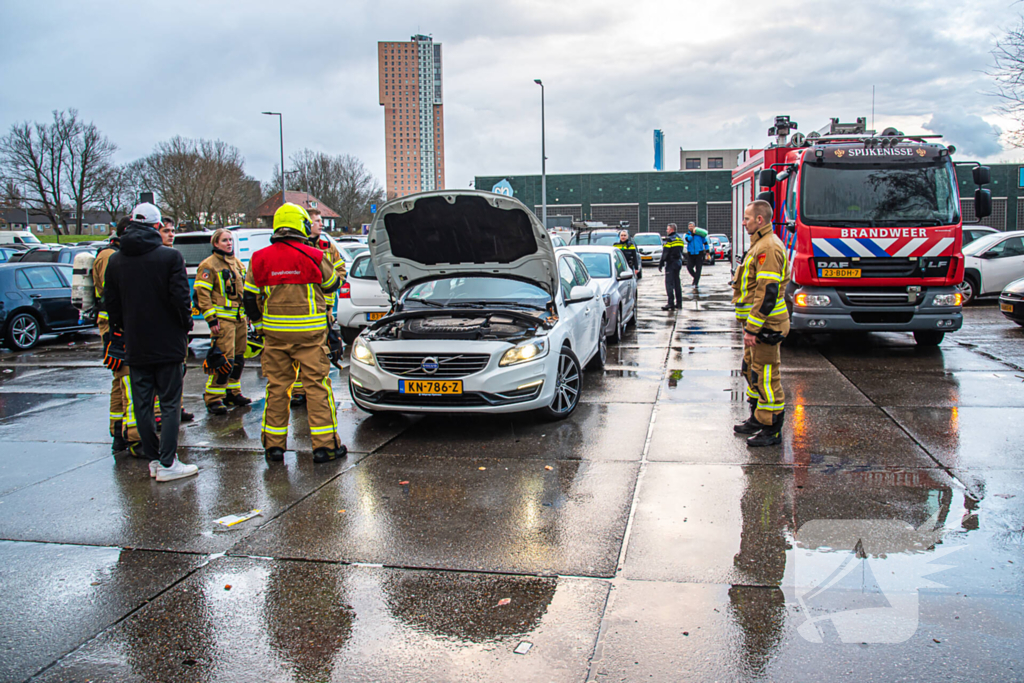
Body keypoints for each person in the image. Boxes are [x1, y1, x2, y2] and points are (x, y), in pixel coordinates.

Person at [243, 202, 347, 464]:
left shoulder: (259, 258)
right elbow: (333, 283)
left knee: (277, 389)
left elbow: (248, 298)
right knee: (317, 388)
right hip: (310, 336)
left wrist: (260, 325)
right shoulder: (313, 254)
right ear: (301, 225)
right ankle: (325, 447)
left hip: (275, 336)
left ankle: (274, 448)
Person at [105, 202, 198, 481]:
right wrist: (186, 327)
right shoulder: (169, 257)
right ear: (157, 227)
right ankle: (168, 462)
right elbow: (181, 300)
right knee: (169, 403)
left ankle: (155, 459)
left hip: (136, 342)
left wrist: (121, 332)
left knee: (141, 403)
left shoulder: (115, 259)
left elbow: (111, 305)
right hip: (167, 341)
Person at [732, 200, 790, 447]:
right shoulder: (759, 245)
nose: (743, 222)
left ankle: (772, 428)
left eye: (746, 218)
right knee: (751, 370)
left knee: (766, 376)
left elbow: (767, 292)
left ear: (759, 220)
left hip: (765, 327)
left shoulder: (768, 247)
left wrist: (753, 328)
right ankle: (758, 418)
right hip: (754, 326)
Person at [94, 217, 145, 455]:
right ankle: (133, 438)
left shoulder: (113, 254)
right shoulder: (110, 257)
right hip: (117, 326)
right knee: (126, 380)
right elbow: (115, 291)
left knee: (120, 381)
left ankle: (118, 432)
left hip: (116, 324)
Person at [289, 208, 345, 408]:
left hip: (324, 307)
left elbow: (340, 270)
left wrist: (330, 286)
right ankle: (298, 391)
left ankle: (314, 390)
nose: (321, 224)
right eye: (317, 221)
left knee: (318, 352)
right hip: (303, 308)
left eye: (321, 221)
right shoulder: (297, 247)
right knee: (300, 351)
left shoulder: (327, 246)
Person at [194, 228, 251, 414]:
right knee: (224, 360)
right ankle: (213, 398)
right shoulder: (208, 265)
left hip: (239, 317)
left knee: (239, 359)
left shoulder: (237, 264)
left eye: (230, 240)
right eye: (225, 240)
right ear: (216, 243)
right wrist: (211, 319)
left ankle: (232, 392)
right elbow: (202, 294)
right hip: (223, 320)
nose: (229, 243)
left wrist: (248, 314)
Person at [658, 223, 685, 310]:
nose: (667, 230)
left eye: (668, 229)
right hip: (678, 262)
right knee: (677, 283)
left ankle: (670, 303)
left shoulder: (669, 240)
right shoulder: (679, 239)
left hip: (670, 263)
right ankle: (679, 303)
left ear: (672, 230)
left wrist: (661, 263)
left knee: (669, 283)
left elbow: (665, 253)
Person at [684, 222, 709, 287]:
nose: (690, 227)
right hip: (691, 253)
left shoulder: (700, 235)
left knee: (698, 268)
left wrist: (707, 251)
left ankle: (695, 283)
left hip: (699, 253)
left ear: (694, 227)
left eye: (692, 226)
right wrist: (692, 234)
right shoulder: (687, 234)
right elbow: (688, 240)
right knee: (689, 267)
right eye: (689, 226)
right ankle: (696, 277)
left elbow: (705, 242)